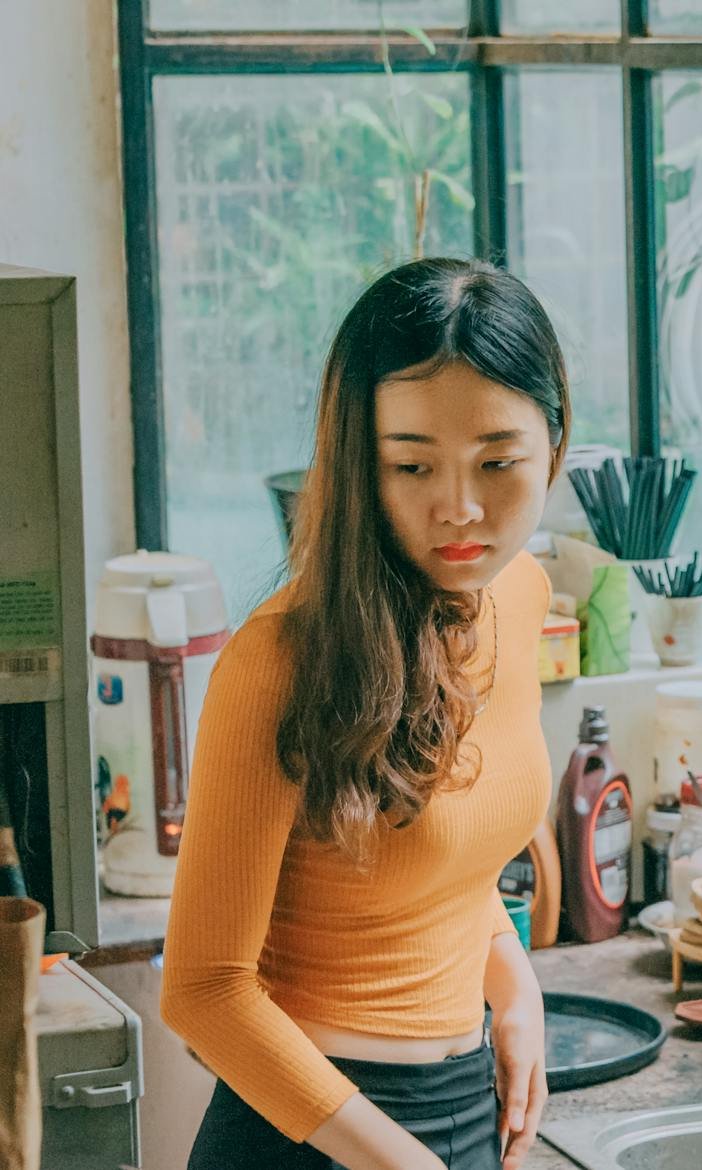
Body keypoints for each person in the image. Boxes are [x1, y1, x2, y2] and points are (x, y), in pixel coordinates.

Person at [161, 257, 569, 1170]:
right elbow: (202, 990)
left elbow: (443, 860)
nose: (459, 507)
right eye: (412, 465)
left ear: (555, 444)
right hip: (307, 1130)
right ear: (359, 464)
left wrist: (513, 983)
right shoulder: (278, 663)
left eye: (498, 462)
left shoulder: (522, 593)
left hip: (470, 1101)